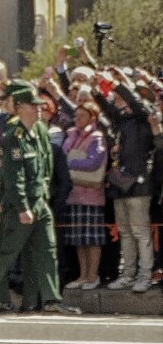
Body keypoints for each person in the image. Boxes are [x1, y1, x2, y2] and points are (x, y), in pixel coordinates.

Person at [0, 80, 78, 315]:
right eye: (33, 105)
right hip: (22, 205)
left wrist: (43, 197)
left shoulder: (40, 130)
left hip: (40, 202)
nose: (39, 108)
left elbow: (46, 165)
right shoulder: (14, 136)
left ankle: (50, 299)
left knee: (47, 250)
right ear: (20, 108)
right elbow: (12, 173)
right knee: (7, 250)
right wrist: (20, 205)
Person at [95, 75, 155, 293]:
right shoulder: (123, 121)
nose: (120, 100)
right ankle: (128, 274)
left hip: (139, 185)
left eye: (124, 97)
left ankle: (144, 275)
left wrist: (119, 84)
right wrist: (96, 91)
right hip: (120, 184)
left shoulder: (144, 116)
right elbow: (108, 109)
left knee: (140, 233)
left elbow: (136, 104)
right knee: (126, 232)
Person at [60, 101, 107, 290]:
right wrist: (75, 160)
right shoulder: (70, 135)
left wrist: (71, 161)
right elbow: (62, 159)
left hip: (91, 195)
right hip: (74, 194)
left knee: (92, 239)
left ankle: (92, 275)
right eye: (76, 115)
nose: (77, 118)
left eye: (82, 115)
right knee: (79, 239)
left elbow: (93, 163)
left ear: (92, 118)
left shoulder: (97, 137)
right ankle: (82, 275)